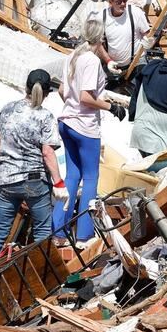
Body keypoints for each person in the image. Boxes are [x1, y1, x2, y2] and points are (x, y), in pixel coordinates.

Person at [53, 18, 127, 242]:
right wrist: (111, 107)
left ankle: (58, 230)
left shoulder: (72, 57)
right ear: (101, 38)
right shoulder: (91, 61)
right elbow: (86, 97)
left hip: (66, 122)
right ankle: (85, 233)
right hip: (85, 126)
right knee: (91, 178)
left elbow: (62, 90)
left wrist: (72, 104)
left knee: (72, 176)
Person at [0, 70, 68, 260]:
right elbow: (47, 152)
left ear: (26, 87)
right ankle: (42, 276)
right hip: (34, 182)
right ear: (46, 93)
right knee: (42, 231)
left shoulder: (7, 110)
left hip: (7, 180)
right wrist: (59, 182)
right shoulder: (45, 116)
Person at [92, 0, 151, 78]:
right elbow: (97, 42)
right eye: (119, 2)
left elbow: (147, 35)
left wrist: (149, 42)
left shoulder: (135, 12)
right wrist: (108, 61)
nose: (123, 4)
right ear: (110, 2)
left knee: (137, 87)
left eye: (125, 0)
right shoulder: (101, 17)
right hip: (114, 64)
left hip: (136, 61)